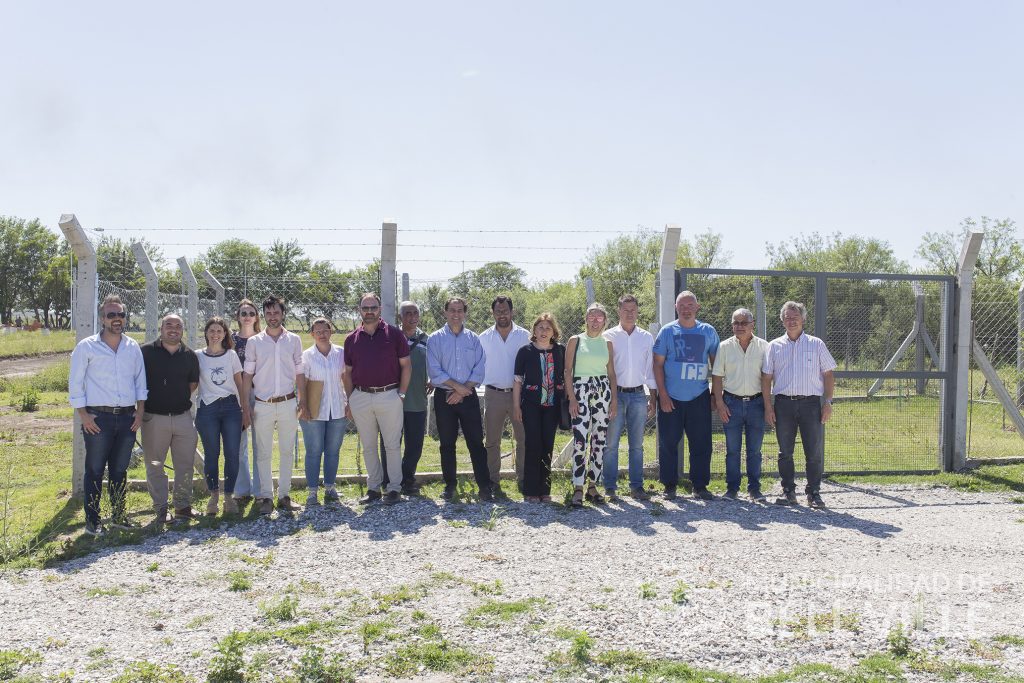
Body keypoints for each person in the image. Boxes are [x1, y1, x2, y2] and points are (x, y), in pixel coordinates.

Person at [68, 295, 147, 536]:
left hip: (126, 418)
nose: (116, 319)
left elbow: (140, 380)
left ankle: (119, 516)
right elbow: (75, 383)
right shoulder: (87, 346)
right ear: (102, 319)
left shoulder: (132, 347)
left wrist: (139, 412)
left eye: (120, 314)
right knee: (94, 470)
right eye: (111, 315)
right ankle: (93, 521)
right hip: (97, 419)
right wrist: (84, 415)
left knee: (120, 470)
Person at [762, 301, 837, 508]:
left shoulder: (816, 344)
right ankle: (788, 492)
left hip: (811, 405)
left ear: (803, 319)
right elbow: (766, 378)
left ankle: (814, 492)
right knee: (784, 451)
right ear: (782, 320)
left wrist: (828, 402)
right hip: (783, 404)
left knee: (813, 451)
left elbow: (828, 374)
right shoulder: (774, 346)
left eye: (795, 317)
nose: (791, 321)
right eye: (787, 317)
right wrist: (768, 407)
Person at [342, 293, 411, 505]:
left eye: (373, 307)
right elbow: (347, 372)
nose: (369, 311)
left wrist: (401, 394)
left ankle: (394, 489)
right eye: (365, 308)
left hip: (389, 395)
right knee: (369, 445)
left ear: (380, 309)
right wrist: (351, 398)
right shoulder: (351, 339)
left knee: (391, 445)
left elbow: (406, 365)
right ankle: (373, 489)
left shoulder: (395, 334)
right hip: (361, 397)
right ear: (359, 310)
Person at [653, 291, 720, 501]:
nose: (686, 308)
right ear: (676, 307)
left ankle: (699, 486)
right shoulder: (666, 332)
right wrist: (662, 395)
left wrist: (715, 395)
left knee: (701, 443)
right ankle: (669, 485)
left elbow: (717, 366)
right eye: (682, 305)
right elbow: (657, 364)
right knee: (668, 443)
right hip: (671, 397)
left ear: (697, 307)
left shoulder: (708, 331)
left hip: (699, 396)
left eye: (690, 304)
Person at [242, 294, 306, 515]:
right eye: (268, 313)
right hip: (263, 404)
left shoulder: (294, 340)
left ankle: (284, 495)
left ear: (282, 313)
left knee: (288, 450)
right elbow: (247, 376)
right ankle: (266, 497)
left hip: (288, 402)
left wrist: (303, 399)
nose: (272, 316)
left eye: (276, 312)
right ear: (264, 315)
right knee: (263, 453)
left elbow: (299, 372)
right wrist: (246, 406)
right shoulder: (254, 342)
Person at [427, 297, 492, 501]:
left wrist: (463, 391)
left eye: (460, 310)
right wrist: (457, 388)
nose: (456, 314)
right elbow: (434, 370)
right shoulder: (435, 339)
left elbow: (480, 368)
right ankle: (450, 486)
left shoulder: (473, 339)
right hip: (444, 397)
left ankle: (484, 486)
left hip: (469, 397)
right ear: (445, 312)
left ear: (465, 313)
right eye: (452, 310)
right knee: (447, 443)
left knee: (475, 442)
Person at [141, 314, 201, 524]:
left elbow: (192, 385)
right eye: (169, 325)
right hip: (154, 419)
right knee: (155, 465)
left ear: (183, 330)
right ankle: (161, 509)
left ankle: (183, 506)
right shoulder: (146, 352)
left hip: (183, 418)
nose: (173, 329)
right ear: (161, 328)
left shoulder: (190, 356)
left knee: (184, 464)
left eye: (178, 326)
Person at [602, 294, 658, 501]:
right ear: (618, 311)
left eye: (633, 310)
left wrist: (652, 397)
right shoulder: (608, 336)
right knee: (611, 444)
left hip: (637, 396)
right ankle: (609, 487)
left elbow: (650, 370)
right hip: (614, 396)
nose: (629, 313)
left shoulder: (646, 337)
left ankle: (637, 487)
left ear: (637, 311)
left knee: (637, 445)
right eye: (625, 310)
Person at [711, 308, 769, 502]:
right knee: (732, 450)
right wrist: (719, 403)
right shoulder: (724, 347)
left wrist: (768, 405)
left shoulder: (764, 347)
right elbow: (717, 375)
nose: (740, 326)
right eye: (736, 323)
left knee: (755, 450)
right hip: (731, 403)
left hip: (756, 403)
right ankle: (732, 489)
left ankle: (755, 489)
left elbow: (768, 377)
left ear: (753, 324)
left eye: (744, 323)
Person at [195, 317, 250, 516]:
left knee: (232, 454)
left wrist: (244, 409)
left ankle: (229, 496)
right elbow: (193, 384)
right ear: (206, 334)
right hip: (207, 409)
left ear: (225, 334)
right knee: (211, 454)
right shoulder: (198, 356)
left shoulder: (231, 355)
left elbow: (240, 383)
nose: (215, 334)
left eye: (219, 331)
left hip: (231, 409)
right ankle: (213, 495)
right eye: (212, 331)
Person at [564, 302, 617, 507]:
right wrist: (572, 399)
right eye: (591, 317)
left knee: (599, 440)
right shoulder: (575, 341)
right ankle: (578, 486)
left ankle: (593, 486)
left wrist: (614, 400)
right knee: (580, 440)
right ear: (586, 319)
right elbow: (567, 371)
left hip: (602, 392)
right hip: (581, 391)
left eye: (599, 317)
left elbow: (611, 373)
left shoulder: (608, 343)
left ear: (604, 320)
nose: (595, 321)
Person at [478, 296, 530, 495]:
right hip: (494, 394)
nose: (502, 314)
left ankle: (523, 478)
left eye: (505, 310)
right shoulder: (484, 338)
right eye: (498, 311)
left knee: (523, 439)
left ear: (512, 312)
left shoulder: (524, 336)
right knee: (492, 441)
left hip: (520, 396)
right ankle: (493, 481)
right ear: (493, 313)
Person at [512, 313, 565, 503]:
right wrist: (516, 405)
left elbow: (566, 377)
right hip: (531, 406)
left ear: (554, 332)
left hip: (552, 406)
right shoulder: (525, 351)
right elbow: (518, 381)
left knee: (547, 446)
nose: (544, 331)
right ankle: (530, 490)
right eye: (540, 327)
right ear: (534, 330)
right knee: (533, 445)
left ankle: (545, 489)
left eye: (548, 328)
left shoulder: (560, 351)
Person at [380, 301, 430, 496]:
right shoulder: (390, 338)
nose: (412, 316)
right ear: (400, 317)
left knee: (415, 443)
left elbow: (434, 362)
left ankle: (407, 479)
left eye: (415, 312)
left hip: (417, 400)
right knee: (389, 442)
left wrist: (433, 379)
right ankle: (389, 480)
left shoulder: (427, 339)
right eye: (407, 313)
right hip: (392, 399)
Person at [300, 318, 347, 505]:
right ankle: (312, 492)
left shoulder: (341, 353)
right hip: (314, 409)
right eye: (317, 331)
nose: (322, 334)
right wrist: (303, 405)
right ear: (312, 334)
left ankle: (330, 487)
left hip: (337, 408)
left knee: (333, 451)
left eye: (325, 330)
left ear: (331, 331)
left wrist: (349, 402)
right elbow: (301, 382)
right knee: (313, 451)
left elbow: (346, 377)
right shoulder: (306, 356)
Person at [231, 299, 261, 507]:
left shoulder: (263, 339)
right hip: (236, 393)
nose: (247, 316)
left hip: (260, 392)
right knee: (238, 443)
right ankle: (242, 489)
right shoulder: (230, 341)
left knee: (260, 442)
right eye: (243, 313)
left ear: (257, 316)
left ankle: (261, 489)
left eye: (251, 312)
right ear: (238, 317)